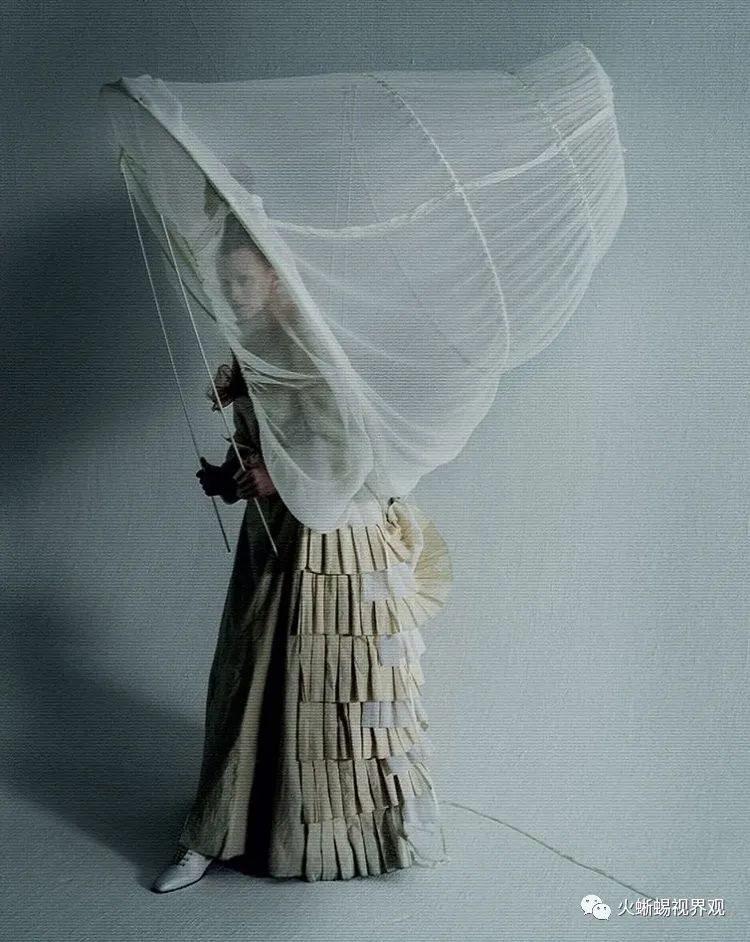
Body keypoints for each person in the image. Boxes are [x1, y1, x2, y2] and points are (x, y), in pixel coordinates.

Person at [151, 214, 453, 892]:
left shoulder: (311, 343)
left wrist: (277, 475)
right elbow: (267, 439)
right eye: (227, 281)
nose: (233, 293)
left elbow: (354, 445)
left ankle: (356, 830)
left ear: (276, 277)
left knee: (335, 686)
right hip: (277, 530)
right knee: (251, 675)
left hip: (332, 539)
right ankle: (222, 828)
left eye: (244, 280)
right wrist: (234, 476)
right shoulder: (253, 342)